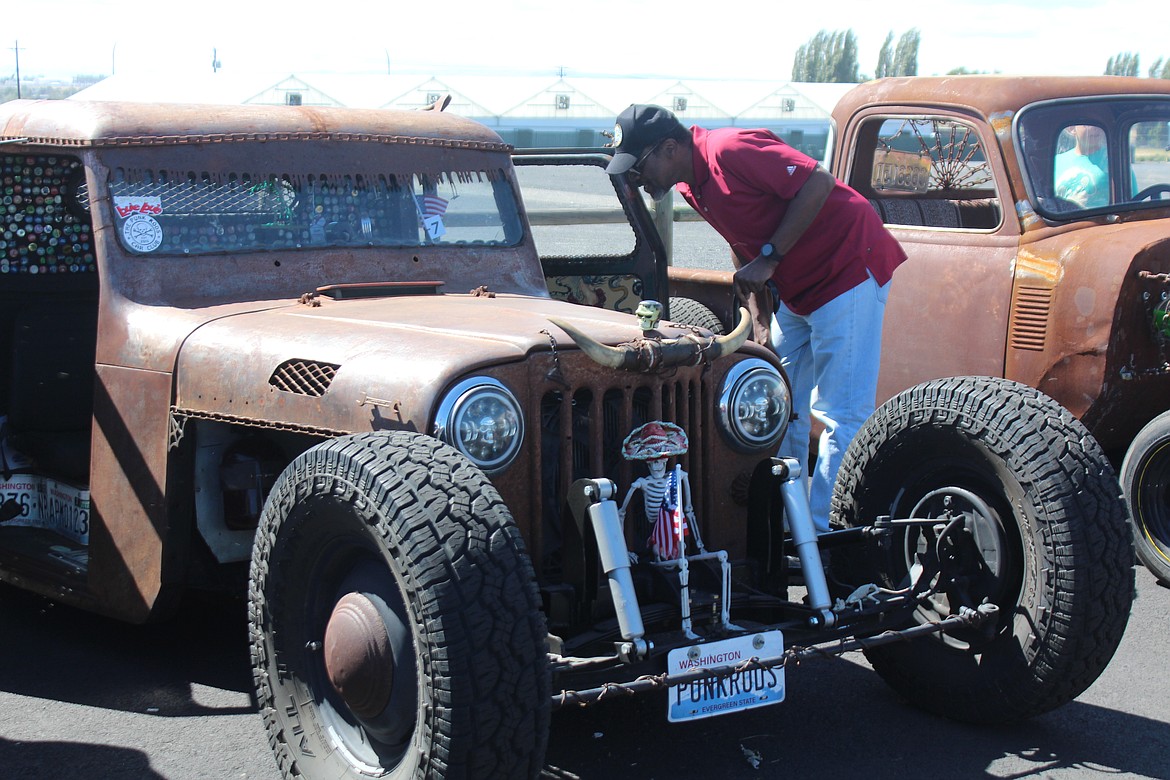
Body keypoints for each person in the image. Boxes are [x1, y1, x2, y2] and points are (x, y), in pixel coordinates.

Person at [606, 104, 906, 532]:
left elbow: (817, 183)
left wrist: (770, 258)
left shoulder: (729, 150)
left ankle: (828, 537)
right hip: (799, 289)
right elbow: (742, 242)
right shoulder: (694, 184)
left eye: (639, 167)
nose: (637, 178)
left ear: (669, 148)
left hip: (848, 269)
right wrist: (760, 318)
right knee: (776, 403)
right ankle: (787, 528)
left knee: (841, 412)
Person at [1054, 124, 1110, 208]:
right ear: (1072, 128)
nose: (1095, 127)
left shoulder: (1114, 161)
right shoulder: (1056, 162)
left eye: (1099, 123)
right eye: (1088, 123)